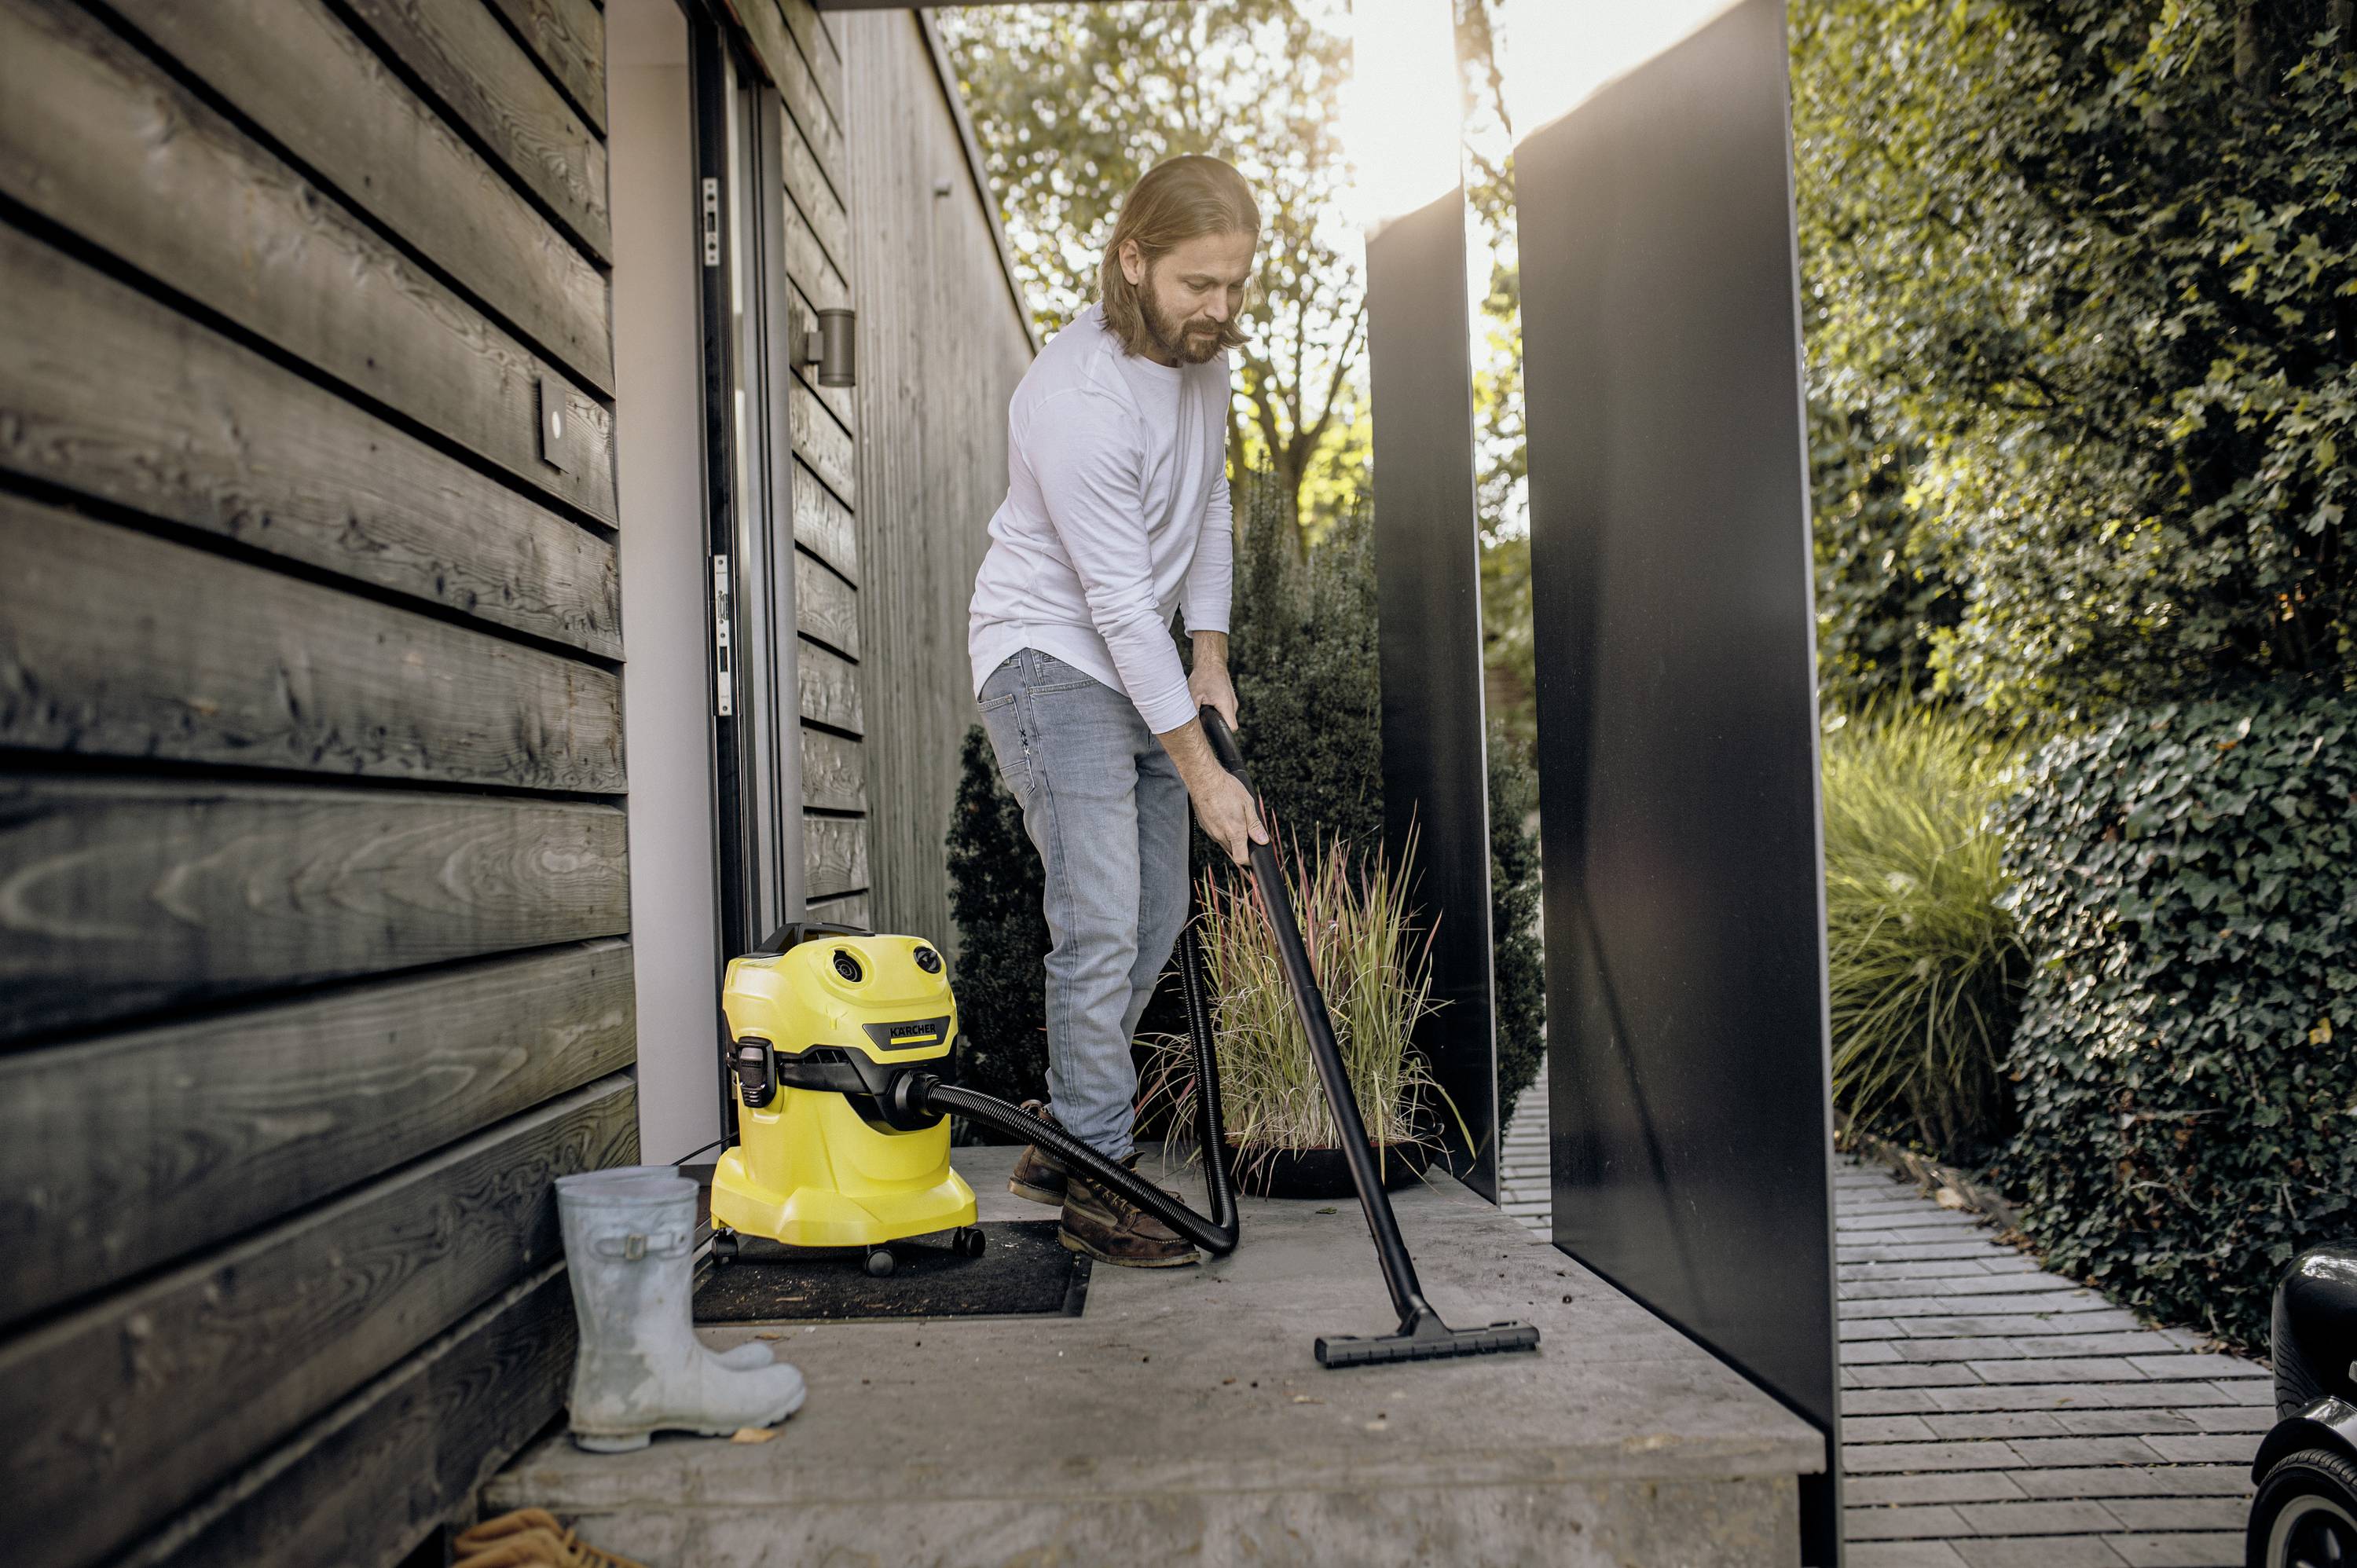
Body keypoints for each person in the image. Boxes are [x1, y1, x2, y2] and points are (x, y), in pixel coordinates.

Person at [967, 155, 1270, 1268]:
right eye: (1200, 284)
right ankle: (1099, 1178)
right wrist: (1206, 776)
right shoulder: (1073, 401)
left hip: (1139, 655)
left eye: (1236, 283)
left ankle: (1063, 1137)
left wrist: (1211, 651)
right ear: (1132, 261)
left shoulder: (1206, 364)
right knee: (1099, 919)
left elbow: (1208, 505)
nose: (1221, 309)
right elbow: (1106, 601)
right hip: (1049, 656)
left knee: (1150, 922)